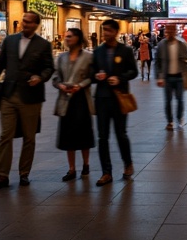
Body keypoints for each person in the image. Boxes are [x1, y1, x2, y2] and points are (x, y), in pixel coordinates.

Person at [0, 11, 55, 192]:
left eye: (29, 22)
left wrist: (40, 77)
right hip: (9, 95)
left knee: (29, 137)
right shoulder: (10, 41)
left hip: (31, 97)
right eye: (24, 21)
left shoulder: (43, 45)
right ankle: (2, 175)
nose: (24, 24)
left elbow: (49, 67)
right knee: (5, 135)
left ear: (36, 25)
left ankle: (24, 173)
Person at [92, 19, 138, 185]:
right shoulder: (98, 51)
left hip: (119, 98)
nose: (106, 34)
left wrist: (119, 78)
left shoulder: (125, 50)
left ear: (116, 32)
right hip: (102, 98)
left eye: (109, 31)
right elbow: (91, 73)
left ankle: (128, 163)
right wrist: (96, 76)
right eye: (104, 30)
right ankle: (106, 172)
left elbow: (134, 71)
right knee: (102, 137)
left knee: (121, 134)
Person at [52, 28, 94, 180]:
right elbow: (55, 78)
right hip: (65, 100)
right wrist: (61, 85)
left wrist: (80, 85)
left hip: (81, 98)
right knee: (67, 134)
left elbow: (92, 77)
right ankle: (71, 169)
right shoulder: (61, 57)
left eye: (70, 36)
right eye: (66, 37)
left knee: (84, 133)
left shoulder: (88, 57)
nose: (67, 39)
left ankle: (86, 164)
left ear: (77, 38)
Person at [155, 22, 187, 129]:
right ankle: (170, 121)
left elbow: (185, 60)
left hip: (179, 77)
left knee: (180, 99)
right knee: (168, 100)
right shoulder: (161, 45)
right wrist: (159, 77)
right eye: (167, 31)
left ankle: (179, 118)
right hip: (167, 77)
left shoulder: (181, 44)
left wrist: (186, 76)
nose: (169, 33)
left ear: (175, 31)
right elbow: (157, 62)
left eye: (171, 31)